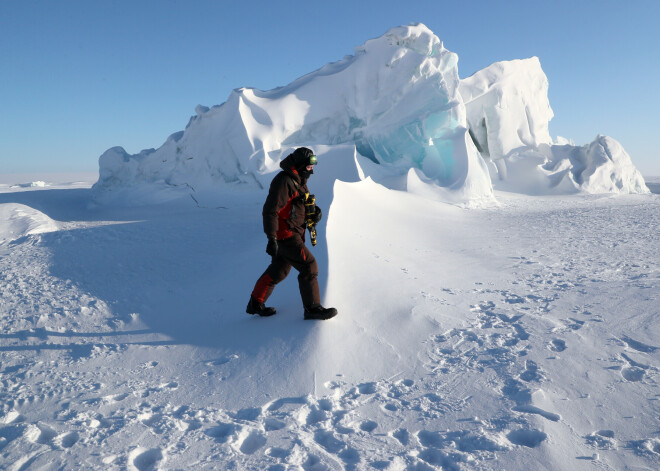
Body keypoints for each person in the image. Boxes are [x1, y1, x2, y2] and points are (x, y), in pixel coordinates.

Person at [247, 147, 338, 320]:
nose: (312, 169)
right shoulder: (284, 181)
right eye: (310, 166)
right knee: (309, 266)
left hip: (292, 232)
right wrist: (271, 238)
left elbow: (296, 205)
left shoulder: (299, 180)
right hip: (285, 235)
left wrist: (314, 212)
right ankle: (312, 308)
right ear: (301, 165)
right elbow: (270, 211)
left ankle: (255, 303)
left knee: (279, 270)